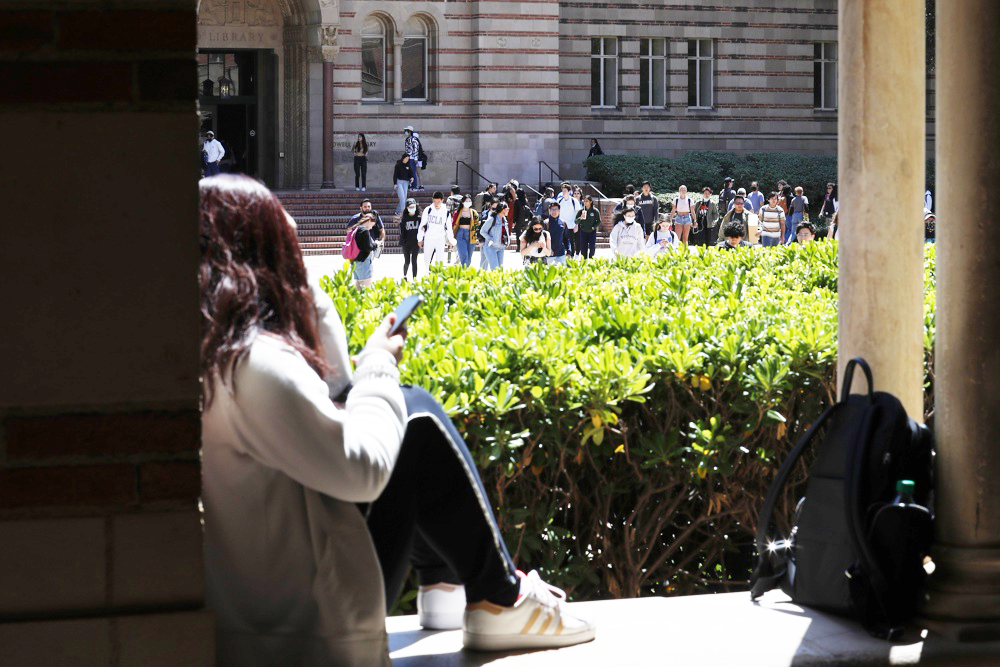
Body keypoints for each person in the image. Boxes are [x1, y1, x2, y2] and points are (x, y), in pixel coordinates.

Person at [199, 174, 596, 667]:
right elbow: (361, 469)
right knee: (415, 418)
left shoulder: (216, 352)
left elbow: (337, 390)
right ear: (265, 255)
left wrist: (308, 304)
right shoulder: (255, 366)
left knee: (404, 410)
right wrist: (380, 361)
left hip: (272, 607)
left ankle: (453, 587)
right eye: (288, 245)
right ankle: (496, 594)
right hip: (310, 623)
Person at [417, 191, 455, 269]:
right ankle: (428, 275)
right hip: (429, 237)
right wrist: (420, 239)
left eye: (438, 201)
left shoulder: (446, 212)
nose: (436, 204)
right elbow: (422, 225)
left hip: (440, 237)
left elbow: (449, 227)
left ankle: (438, 277)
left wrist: (451, 240)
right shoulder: (428, 210)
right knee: (427, 259)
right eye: (434, 201)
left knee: (440, 259)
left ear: (442, 201)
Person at [350, 213, 377, 290]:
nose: (371, 227)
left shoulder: (355, 229)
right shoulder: (364, 231)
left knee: (358, 287)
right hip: (364, 262)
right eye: (372, 225)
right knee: (366, 288)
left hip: (355, 261)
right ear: (369, 221)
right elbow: (368, 247)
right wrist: (376, 245)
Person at [452, 194, 480, 268]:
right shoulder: (458, 212)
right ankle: (464, 270)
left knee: (469, 255)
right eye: (466, 201)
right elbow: (453, 223)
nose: (468, 202)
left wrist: (478, 237)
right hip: (460, 234)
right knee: (463, 254)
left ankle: (465, 269)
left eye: (469, 201)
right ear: (462, 202)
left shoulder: (474, 213)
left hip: (471, 234)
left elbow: (477, 225)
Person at [479, 201, 508, 270]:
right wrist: (490, 239)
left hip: (501, 247)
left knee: (500, 269)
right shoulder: (492, 219)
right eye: (507, 209)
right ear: (502, 210)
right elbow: (482, 231)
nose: (508, 210)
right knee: (495, 268)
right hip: (490, 247)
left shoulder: (504, 220)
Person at [556, 182, 581, 257]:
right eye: (562, 191)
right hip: (561, 226)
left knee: (571, 243)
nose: (563, 192)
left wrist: (577, 225)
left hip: (571, 226)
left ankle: (571, 257)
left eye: (565, 191)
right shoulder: (559, 201)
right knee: (562, 242)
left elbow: (578, 214)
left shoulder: (574, 201)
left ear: (569, 192)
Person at [399, 197, 422, 280]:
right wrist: (403, 242)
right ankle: (404, 275)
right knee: (407, 261)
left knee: (414, 261)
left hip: (416, 242)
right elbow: (402, 232)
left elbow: (423, 229)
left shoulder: (419, 218)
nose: (412, 209)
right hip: (406, 243)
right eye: (410, 207)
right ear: (407, 208)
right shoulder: (404, 219)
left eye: (413, 207)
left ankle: (414, 278)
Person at [576, 195, 602, 260]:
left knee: (592, 247)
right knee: (583, 248)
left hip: (591, 232)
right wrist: (580, 218)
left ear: (590, 202)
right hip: (583, 231)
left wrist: (593, 227)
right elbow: (576, 221)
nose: (585, 203)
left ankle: (591, 259)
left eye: (587, 201)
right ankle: (584, 261)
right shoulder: (581, 211)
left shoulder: (595, 211)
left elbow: (598, 221)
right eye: (584, 201)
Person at [545, 200, 568, 266]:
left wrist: (569, 251)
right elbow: (542, 239)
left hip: (561, 254)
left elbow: (566, 238)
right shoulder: (546, 223)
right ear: (549, 211)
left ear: (559, 211)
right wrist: (548, 249)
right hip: (549, 255)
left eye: (556, 210)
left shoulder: (563, 223)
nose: (554, 212)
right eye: (552, 210)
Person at [403, 126, 422, 192]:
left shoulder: (414, 139)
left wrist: (415, 157)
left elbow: (416, 149)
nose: (405, 132)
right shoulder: (407, 139)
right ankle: (410, 185)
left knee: (413, 172)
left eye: (407, 131)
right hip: (408, 157)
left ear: (410, 131)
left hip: (412, 158)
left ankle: (415, 186)